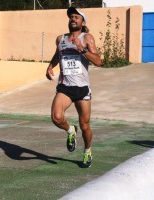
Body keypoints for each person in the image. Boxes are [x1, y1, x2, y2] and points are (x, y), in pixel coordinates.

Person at [46, 7, 102, 168]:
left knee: (85, 126)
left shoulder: (87, 38)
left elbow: (99, 61)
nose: (73, 19)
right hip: (65, 87)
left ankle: (87, 151)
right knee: (56, 117)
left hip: (82, 88)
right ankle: (70, 130)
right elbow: (58, 54)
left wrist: (82, 49)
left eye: (76, 17)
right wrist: (50, 66)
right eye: (71, 16)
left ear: (82, 22)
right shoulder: (60, 39)